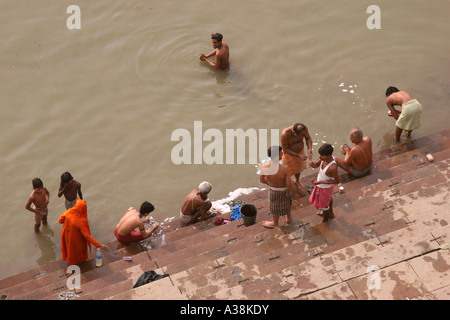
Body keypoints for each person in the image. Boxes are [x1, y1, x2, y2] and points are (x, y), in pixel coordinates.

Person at [58, 199, 109, 266]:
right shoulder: (80, 221)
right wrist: (100, 245)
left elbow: (60, 220)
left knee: (69, 249)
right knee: (77, 251)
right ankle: (78, 264)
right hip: (75, 239)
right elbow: (87, 236)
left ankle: (71, 263)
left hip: (66, 235)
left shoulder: (68, 212)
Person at [259, 146, 300, 228]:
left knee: (274, 207)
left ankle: (275, 223)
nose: (283, 154)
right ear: (277, 155)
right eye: (281, 153)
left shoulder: (264, 168)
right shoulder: (285, 169)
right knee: (287, 203)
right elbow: (289, 184)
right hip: (284, 190)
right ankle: (288, 218)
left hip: (273, 190)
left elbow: (262, 180)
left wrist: (270, 183)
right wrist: (295, 193)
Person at [308, 144, 340, 222]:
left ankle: (325, 219)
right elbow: (316, 165)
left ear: (329, 156)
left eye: (322, 155)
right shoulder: (323, 159)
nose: (319, 157)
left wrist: (320, 182)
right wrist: (312, 165)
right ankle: (331, 213)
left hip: (325, 187)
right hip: (320, 185)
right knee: (328, 198)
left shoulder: (332, 167)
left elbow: (337, 181)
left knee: (325, 206)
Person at [280, 123, 313, 192]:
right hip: (288, 154)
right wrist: (297, 155)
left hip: (300, 152)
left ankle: (297, 180)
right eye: (301, 136)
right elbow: (285, 148)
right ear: (294, 132)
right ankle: (286, 183)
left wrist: (309, 149)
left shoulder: (304, 129)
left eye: (303, 135)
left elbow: (308, 138)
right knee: (285, 170)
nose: (302, 137)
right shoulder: (285, 134)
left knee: (299, 168)